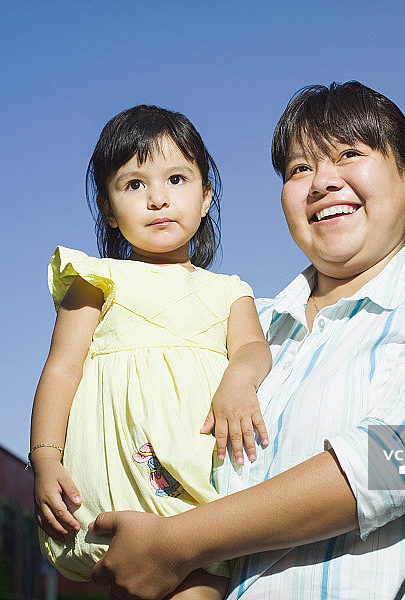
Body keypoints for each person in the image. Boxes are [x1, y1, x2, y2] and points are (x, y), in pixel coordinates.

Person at [88, 81, 405, 599]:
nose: (322, 182)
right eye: (300, 168)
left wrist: (176, 543)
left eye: (348, 154)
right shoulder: (243, 326)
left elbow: (399, 461)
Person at [29, 105, 272, 600]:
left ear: (207, 198)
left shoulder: (229, 290)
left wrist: (236, 382)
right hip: (108, 498)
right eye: (134, 184)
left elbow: (253, 348)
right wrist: (44, 458)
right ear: (109, 210)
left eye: (176, 179)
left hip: (200, 496)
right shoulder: (96, 279)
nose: (158, 198)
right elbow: (60, 370)